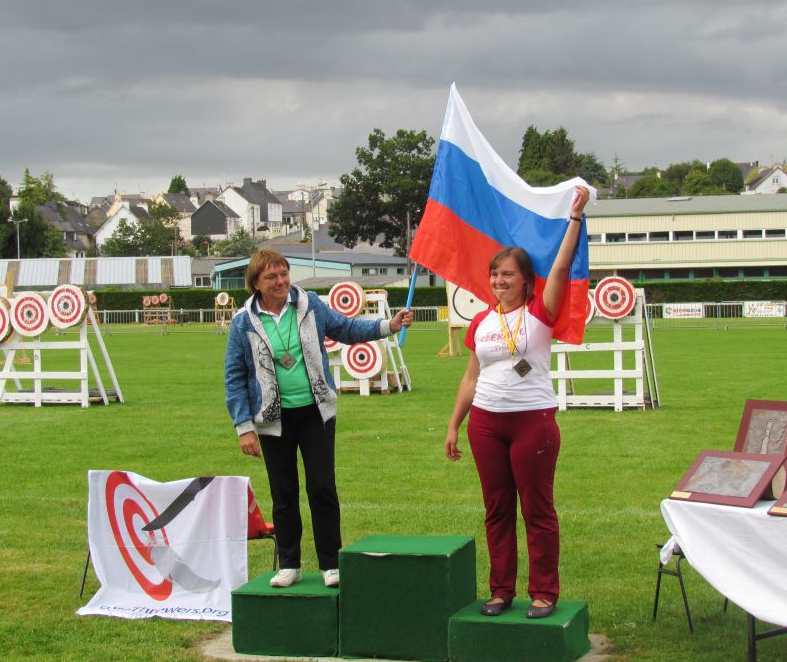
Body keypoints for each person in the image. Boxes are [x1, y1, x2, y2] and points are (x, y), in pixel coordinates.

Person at [225, 249, 414, 588]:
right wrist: (244, 428)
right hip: (272, 419)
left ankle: (330, 563)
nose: (282, 281)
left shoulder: (310, 304)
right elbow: (234, 376)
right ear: (256, 283)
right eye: (272, 277)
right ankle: (290, 564)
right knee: (283, 494)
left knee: (322, 487)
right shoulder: (243, 322)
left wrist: (389, 325)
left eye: (284, 273)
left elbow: (347, 329)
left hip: (316, 413)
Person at [444, 186, 590, 618]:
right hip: (486, 424)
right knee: (497, 510)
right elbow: (471, 376)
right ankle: (501, 591)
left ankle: (544, 592)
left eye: (508, 275)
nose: (499, 281)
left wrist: (575, 219)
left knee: (538, 510)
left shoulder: (540, 311)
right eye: (495, 275)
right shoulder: (482, 322)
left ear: (526, 280)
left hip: (532, 422)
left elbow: (561, 268)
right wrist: (454, 425)